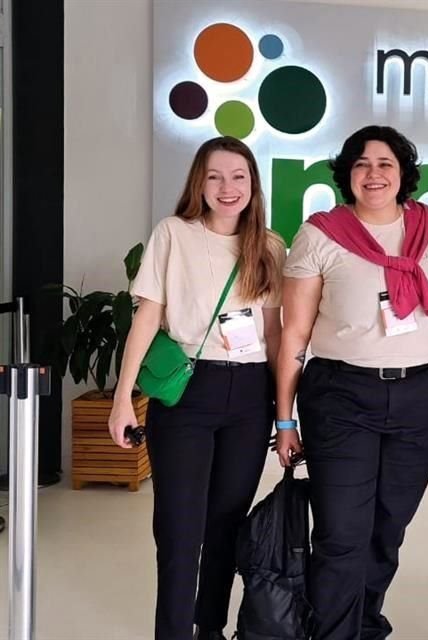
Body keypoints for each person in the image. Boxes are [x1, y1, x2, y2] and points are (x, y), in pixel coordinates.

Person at [274, 125, 428, 640]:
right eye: (361, 164)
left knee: (387, 528)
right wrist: (285, 419)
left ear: (403, 174)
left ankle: (364, 621)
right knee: (342, 531)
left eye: (385, 164)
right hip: (341, 396)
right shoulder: (321, 233)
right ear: (346, 174)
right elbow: (294, 336)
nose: (373, 174)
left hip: (419, 397)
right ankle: (334, 631)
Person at [107, 136, 286, 640]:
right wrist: (124, 400)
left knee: (227, 521)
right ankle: (172, 632)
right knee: (179, 527)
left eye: (238, 177)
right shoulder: (174, 234)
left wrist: (284, 412)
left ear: (253, 184)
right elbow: (146, 318)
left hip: (251, 394)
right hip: (189, 390)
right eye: (215, 177)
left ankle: (210, 627)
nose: (227, 188)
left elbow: (273, 334)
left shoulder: (269, 246)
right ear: (198, 184)